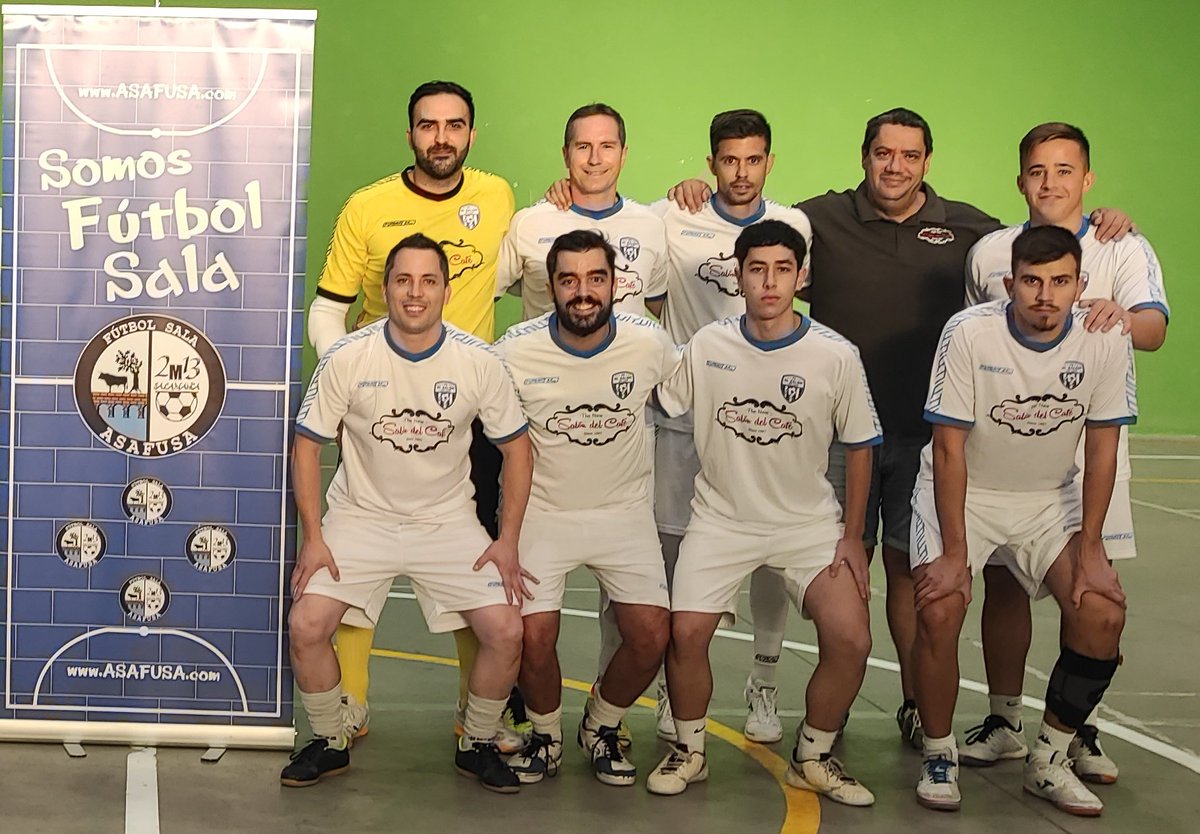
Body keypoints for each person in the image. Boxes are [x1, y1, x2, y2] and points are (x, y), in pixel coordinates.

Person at [662, 108, 1132, 747]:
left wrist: (1104, 223)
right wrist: (699, 192)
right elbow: (752, 225)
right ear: (865, 157)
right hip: (828, 438)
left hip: (922, 436)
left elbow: (1040, 248)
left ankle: (916, 704)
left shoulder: (971, 229)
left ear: (926, 163)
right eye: (884, 154)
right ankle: (793, 688)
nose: (896, 166)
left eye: (910, 156)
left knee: (909, 576)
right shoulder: (817, 220)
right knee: (820, 564)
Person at [546, 109, 815, 744]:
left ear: (769, 162)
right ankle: (659, 687)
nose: (741, 172)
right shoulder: (672, 216)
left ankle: (765, 681)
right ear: (711, 163)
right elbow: (649, 291)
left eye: (754, 159)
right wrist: (561, 200)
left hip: (767, 414)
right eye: (730, 159)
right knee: (659, 553)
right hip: (681, 412)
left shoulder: (795, 225)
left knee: (770, 549)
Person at [306, 80, 521, 749]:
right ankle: (351, 707)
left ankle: (476, 716)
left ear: (471, 135)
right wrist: (345, 380)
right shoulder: (368, 207)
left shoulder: (498, 196)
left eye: (454, 125)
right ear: (410, 134)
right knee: (354, 557)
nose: (441, 137)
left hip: (468, 417)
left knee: (471, 561)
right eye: (428, 125)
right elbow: (327, 307)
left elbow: (539, 260)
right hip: (383, 414)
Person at [284, 234, 534, 794]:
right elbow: (307, 446)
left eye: (428, 281)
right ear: (385, 288)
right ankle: (329, 739)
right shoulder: (347, 357)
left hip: (446, 522)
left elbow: (518, 449)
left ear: (448, 289)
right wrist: (315, 536)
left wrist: (507, 539)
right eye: (403, 280)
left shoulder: (478, 361)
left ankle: (477, 741)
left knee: (505, 630)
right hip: (361, 517)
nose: (415, 294)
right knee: (306, 625)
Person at [958, 123, 1168, 781]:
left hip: (1086, 462)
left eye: (1064, 170)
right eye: (1038, 171)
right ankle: (1003, 719)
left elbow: (1154, 328)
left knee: (1091, 589)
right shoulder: (992, 251)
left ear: (1088, 179)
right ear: (1020, 179)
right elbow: (977, 337)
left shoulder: (1119, 244)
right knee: (1004, 585)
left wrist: (1114, 317)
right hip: (1006, 454)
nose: (1051, 183)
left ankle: (1077, 729)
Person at [647, 220, 880, 808]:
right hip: (721, 520)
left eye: (782, 269)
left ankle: (813, 756)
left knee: (851, 637)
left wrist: (852, 538)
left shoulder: (835, 354)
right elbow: (656, 400)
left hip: (808, 526)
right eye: (757, 269)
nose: (769, 281)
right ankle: (690, 750)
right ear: (739, 276)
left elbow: (860, 447)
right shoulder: (708, 345)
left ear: (801, 277)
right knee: (686, 633)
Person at [910, 225, 1134, 816]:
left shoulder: (1106, 337)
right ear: (1009, 284)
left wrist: (1091, 546)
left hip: (1047, 499)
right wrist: (956, 554)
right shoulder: (969, 332)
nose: (1045, 295)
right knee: (940, 605)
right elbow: (948, 446)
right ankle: (938, 750)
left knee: (1103, 614)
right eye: (1031, 282)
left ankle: (1050, 757)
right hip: (965, 492)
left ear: (1079, 285)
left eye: (1060, 282)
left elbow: (1104, 448)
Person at [494, 230, 675, 787]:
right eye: (569, 280)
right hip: (542, 514)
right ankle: (546, 734)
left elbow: (698, 399)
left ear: (615, 284)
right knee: (532, 637)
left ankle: (600, 725)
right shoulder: (514, 349)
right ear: (550, 287)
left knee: (651, 636)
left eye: (596, 278)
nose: (583, 292)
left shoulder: (650, 343)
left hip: (623, 513)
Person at [497, 103, 669, 319]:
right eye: (583, 146)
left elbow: (666, 309)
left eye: (607, 146)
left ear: (623, 154)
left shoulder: (651, 226)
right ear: (566, 155)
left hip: (624, 354)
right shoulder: (528, 224)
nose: (595, 159)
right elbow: (479, 298)